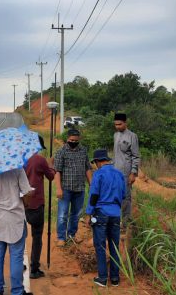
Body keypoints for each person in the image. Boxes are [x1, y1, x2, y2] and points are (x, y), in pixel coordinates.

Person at [0, 168, 34, 295]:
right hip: (14, 219)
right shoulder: (17, 169)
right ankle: (17, 291)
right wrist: (26, 203)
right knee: (16, 257)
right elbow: (27, 193)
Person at [86, 149, 126, 287]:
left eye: (95, 162)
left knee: (100, 245)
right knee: (114, 246)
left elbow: (94, 196)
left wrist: (89, 213)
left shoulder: (98, 174)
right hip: (115, 214)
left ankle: (102, 278)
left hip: (101, 213)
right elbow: (123, 195)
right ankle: (115, 278)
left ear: (97, 161)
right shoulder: (120, 174)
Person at [23, 136, 55, 279]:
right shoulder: (40, 160)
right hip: (36, 202)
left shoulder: (20, 159)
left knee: (18, 237)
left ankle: (18, 264)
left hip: (21, 203)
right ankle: (34, 268)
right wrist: (51, 165)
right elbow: (51, 177)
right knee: (37, 236)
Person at [54, 128, 92, 246]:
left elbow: (88, 168)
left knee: (76, 214)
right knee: (62, 214)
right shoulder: (61, 151)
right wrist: (58, 188)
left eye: (76, 140)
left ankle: (71, 235)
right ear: (67, 139)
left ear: (79, 139)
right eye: (71, 140)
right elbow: (57, 171)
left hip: (79, 188)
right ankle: (61, 237)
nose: (74, 142)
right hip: (65, 189)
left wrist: (92, 184)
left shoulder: (83, 151)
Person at [113, 113, 140, 228]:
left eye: (120, 124)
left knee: (126, 197)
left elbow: (136, 156)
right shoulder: (115, 135)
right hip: (115, 171)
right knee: (115, 195)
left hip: (126, 172)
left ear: (125, 123)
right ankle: (115, 220)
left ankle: (126, 222)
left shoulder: (132, 136)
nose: (117, 126)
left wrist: (133, 173)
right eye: (115, 124)